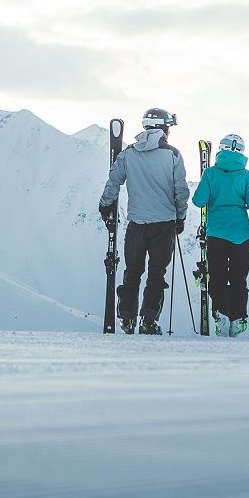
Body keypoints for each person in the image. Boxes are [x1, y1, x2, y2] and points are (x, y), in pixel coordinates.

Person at [99, 107, 190, 334]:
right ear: (164, 128)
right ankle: (149, 320)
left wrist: (105, 204)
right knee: (156, 273)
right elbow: (181, 190)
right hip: (164, 224)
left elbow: (114, 181)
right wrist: (180, 217)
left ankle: (127, 318)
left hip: (137, 223)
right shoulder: (173, 154)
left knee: (132, 271)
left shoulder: (129, 153)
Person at [192, 133, 249, 337]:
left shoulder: (210, 174)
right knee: (238, 279)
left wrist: (209, 189)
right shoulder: (246, 176)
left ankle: (221, 315)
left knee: (217, 277)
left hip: (216, 233)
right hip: (241, 235)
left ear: (221, 149)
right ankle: (238, 319)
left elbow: (198, 201)